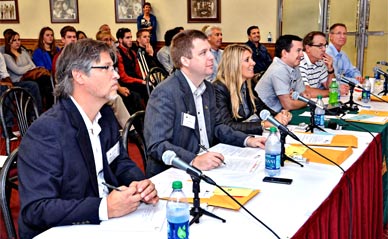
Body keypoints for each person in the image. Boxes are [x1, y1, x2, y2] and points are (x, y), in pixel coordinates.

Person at [18, 39, 159, 239]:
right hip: (64, 229)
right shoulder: (46, 132)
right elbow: (37, 209)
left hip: (105, 221)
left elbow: (119, 161)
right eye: (107, 68)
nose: (117, 75)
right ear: (79, 75)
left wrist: (139, 183)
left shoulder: (106, 115)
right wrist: (104, 207)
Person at [144, 30, 266, 178]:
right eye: (203, 53)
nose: (211, 57)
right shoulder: (165, 93)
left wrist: (247, 140)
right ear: (185, 61)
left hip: (207, 165)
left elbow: (218, 126)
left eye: (209, 51)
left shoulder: (207, 88)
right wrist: (193, 160)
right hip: (175, 172)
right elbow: (157, 145)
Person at [213, 44, 291, 135]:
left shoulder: (248, 84)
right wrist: (263, 124)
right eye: (247, 60)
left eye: (252, 59)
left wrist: (281, 115)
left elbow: (261, 109)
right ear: (234, 65)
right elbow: (227, 125)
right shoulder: (219, 88)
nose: (253, 63)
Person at [255, 34, 309, 112]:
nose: (302, 54)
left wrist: (299, 98)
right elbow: (288, 105)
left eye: (302, 50)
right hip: (264, 118)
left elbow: (303, 94)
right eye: (298, 50)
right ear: (284, 53)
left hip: (280, 113)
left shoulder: (294, 65)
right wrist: (305, 102)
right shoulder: (278, 69)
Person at [4, 31, 54, 110]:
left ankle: (50, 108)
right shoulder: (6, 56)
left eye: (19, 40)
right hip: (17, 80)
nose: (17, 42)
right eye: (14, 40)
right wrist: (29, 66)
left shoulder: (23, 52)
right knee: (33, 85)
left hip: (29, 77)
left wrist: (28, 67)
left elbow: (33, 66)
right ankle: (38, 111)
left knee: (46, 79)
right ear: (9, 42)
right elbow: (18, 71)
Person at [0, 52, 42, 140]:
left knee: (32, 85)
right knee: (6, 90)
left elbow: (4, 73)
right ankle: (7, 129)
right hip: (1, 85)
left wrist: (10, 83)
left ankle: (36, 119)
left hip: (5, 82)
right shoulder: (6, 54)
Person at [116, 28, 149, 105]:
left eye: (131, 37)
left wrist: (146, 77)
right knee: (143, 90)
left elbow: (138, 71)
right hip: (125, 82)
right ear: (120, 40)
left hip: (134, 80)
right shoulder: (118, 53)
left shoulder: (132, 52)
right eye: (127, 38)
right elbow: (123, 77)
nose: (131, 40)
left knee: (149, 86)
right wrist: (141, 81)